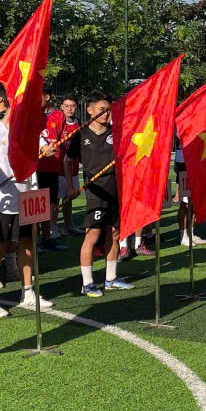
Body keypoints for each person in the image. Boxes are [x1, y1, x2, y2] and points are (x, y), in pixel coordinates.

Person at [0, 96, 53, 317]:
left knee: (27, 243)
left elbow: (44, 147)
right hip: (4, 200)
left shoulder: (28, 129)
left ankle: (28, 293)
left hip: (29, 196)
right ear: (10, 106)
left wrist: (49, 149)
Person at [65, 93, 130, 297]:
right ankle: (87, 283)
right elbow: (68, 160)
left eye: (108, 110)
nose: (106, 114)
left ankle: (111, 279)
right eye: (102, 110)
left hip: (115, 190)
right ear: (90, 110)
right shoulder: (81, 134)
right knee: (92, 235)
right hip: (96, 192)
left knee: (115, 234)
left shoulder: (115, 132)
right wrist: (70, 185)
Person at [37, 93, 67, 251]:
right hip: (36, 169)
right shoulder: (32, 116)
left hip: (53, 167)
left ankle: (48, 237)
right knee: (37, 205)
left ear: (47, 96)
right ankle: (34, 240)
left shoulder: (59, 115)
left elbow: (61, 140)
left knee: (51, 203)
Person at [57, 95, 81, 236]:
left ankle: (68, 225)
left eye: (72, 106)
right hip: (58, 168)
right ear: (62, 107)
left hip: (73, 167)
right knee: (55, 199)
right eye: (66, 106)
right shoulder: (58, 122)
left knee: (69, 197)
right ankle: (53, 227)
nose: (69, 109)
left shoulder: (79, 123)